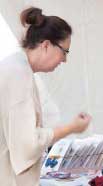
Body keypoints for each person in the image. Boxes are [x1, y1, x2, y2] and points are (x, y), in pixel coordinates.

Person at [0, 7, 92, 186]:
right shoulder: (18, 74)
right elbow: (27, 144)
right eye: (64, 52)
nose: (64, 60)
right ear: (46, 45)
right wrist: (70, 128)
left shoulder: (16, 66)